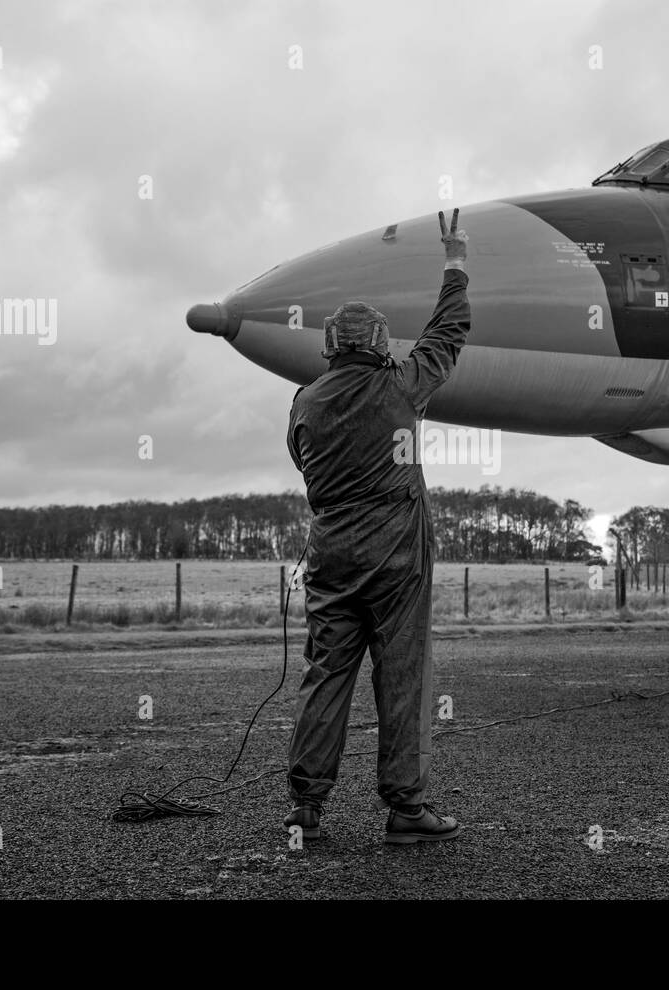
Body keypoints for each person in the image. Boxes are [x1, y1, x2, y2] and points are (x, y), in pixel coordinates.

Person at [284, 209, 470, 844]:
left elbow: (303, 465)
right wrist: (454, 264)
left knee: (325, 677)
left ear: (331, 346)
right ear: (380, 343)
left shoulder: (304, 400)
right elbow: (448, 334)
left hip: (330, 554)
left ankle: (306, 807)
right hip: (396, 556)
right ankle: (405, 809)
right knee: (402, 677)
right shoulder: (402, 387)